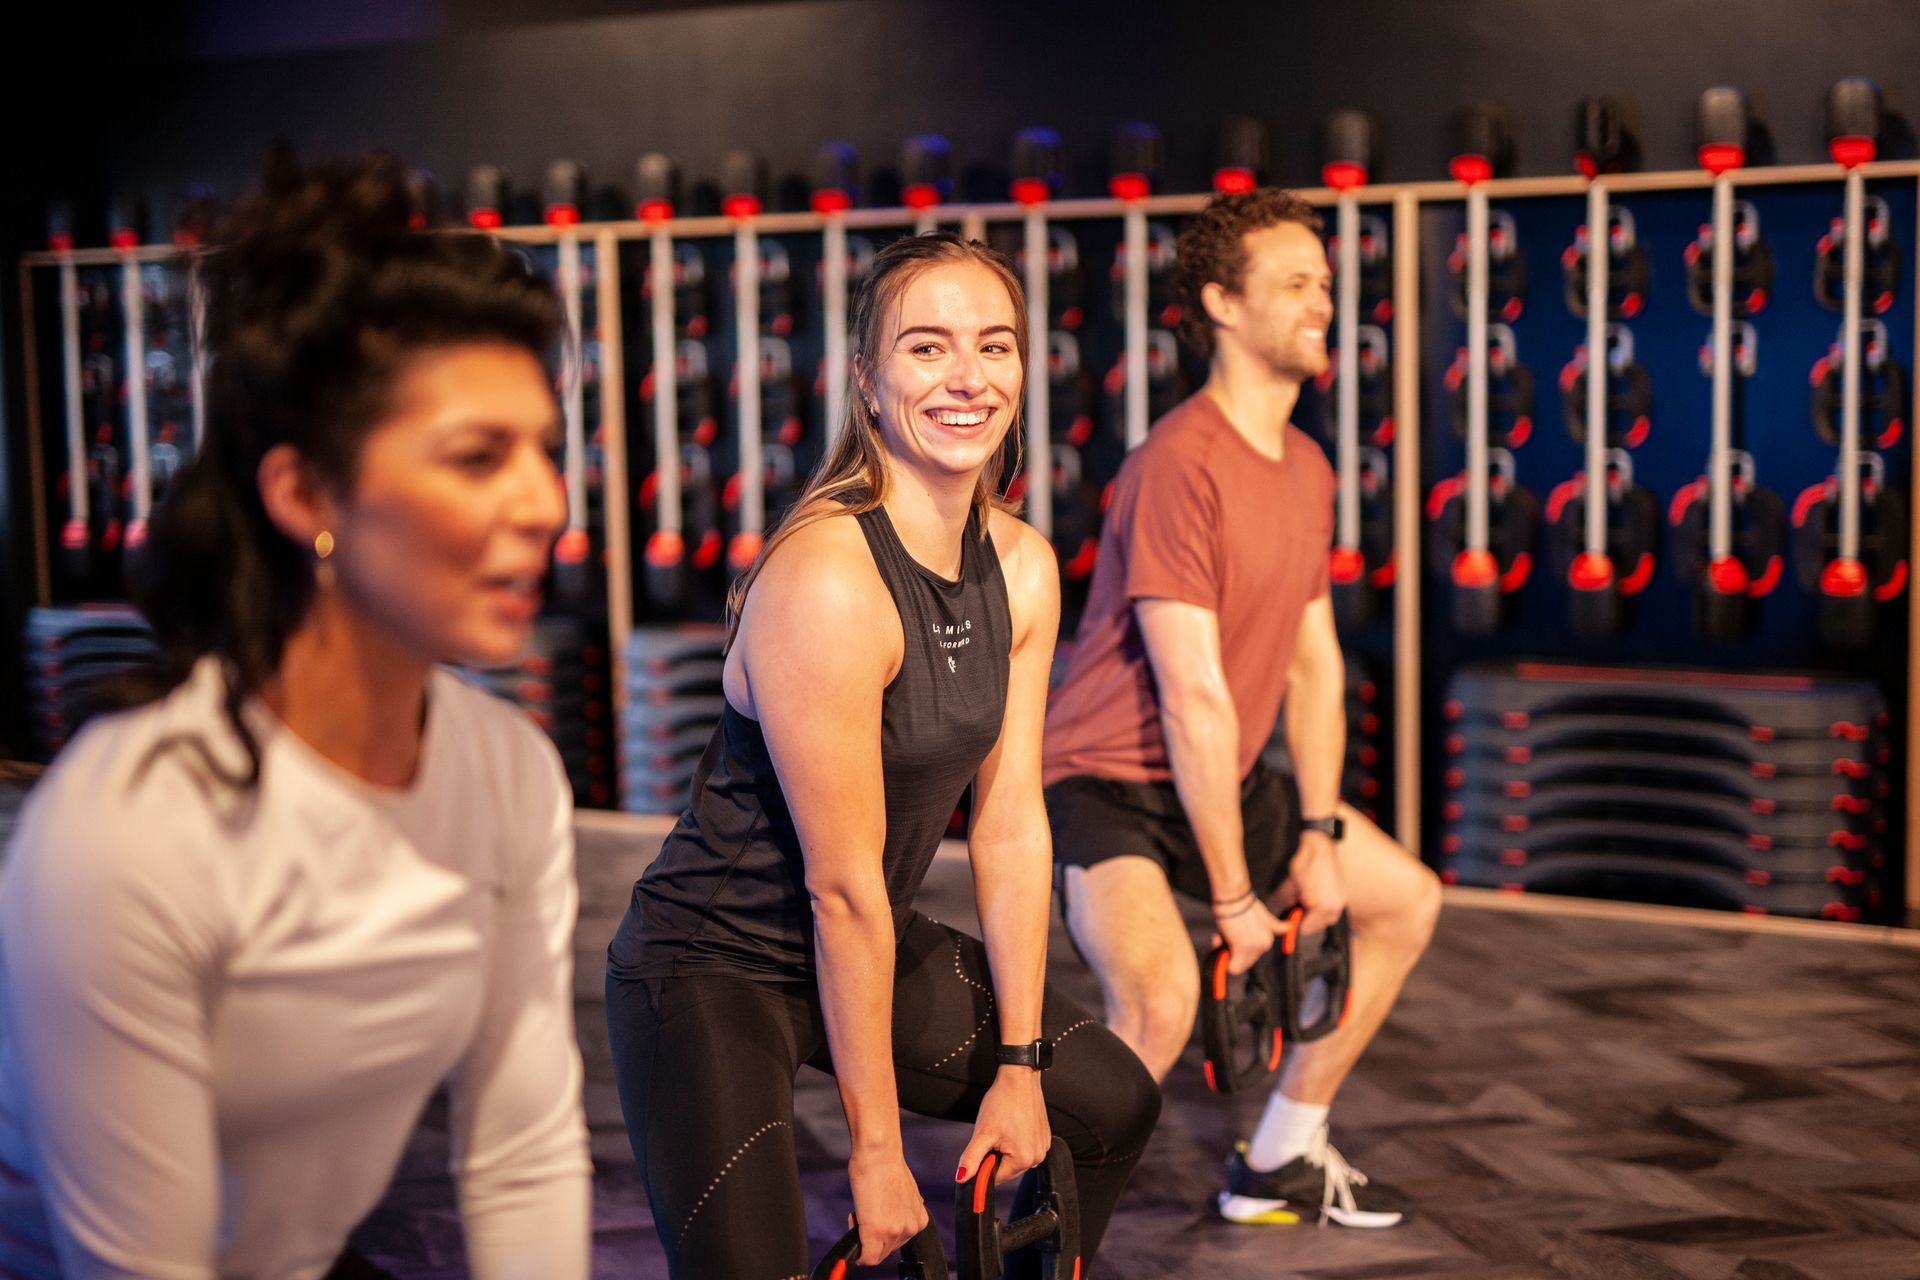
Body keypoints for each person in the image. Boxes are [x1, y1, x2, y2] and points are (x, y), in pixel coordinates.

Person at [0, 153, 592, 1278]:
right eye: (478, 456)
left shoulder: (509, 772)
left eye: (545, 450)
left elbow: (521, 1151)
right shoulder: (127, 829)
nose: (545, 503)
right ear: (305, 495)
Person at [605, 232, 1159, 1278]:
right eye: (927, 348)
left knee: (1109, 1102)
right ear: (868, 380)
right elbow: (844, 887)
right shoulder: (828, 578)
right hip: (714, 967)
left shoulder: (1025, 566)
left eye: (994, 347)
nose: (967, 378)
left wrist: (1023, 1064)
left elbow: (1009, 821)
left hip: (866, 938)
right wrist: (875, 1150)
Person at [1042, 188, 1441, 1229]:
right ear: (1222, 301)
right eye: (1297, 282)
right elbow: (1194, 695)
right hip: (1111, 780)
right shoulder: (1179, 463)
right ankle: (1041, 1228)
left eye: (1326, 282)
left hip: (1224, 774)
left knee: (1401, 897)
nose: (1324, 301)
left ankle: (1281, 1153)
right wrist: (1233, 899)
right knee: (1162, 998)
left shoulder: (1307, 465)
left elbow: (1314, 663)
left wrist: (1313, 829)